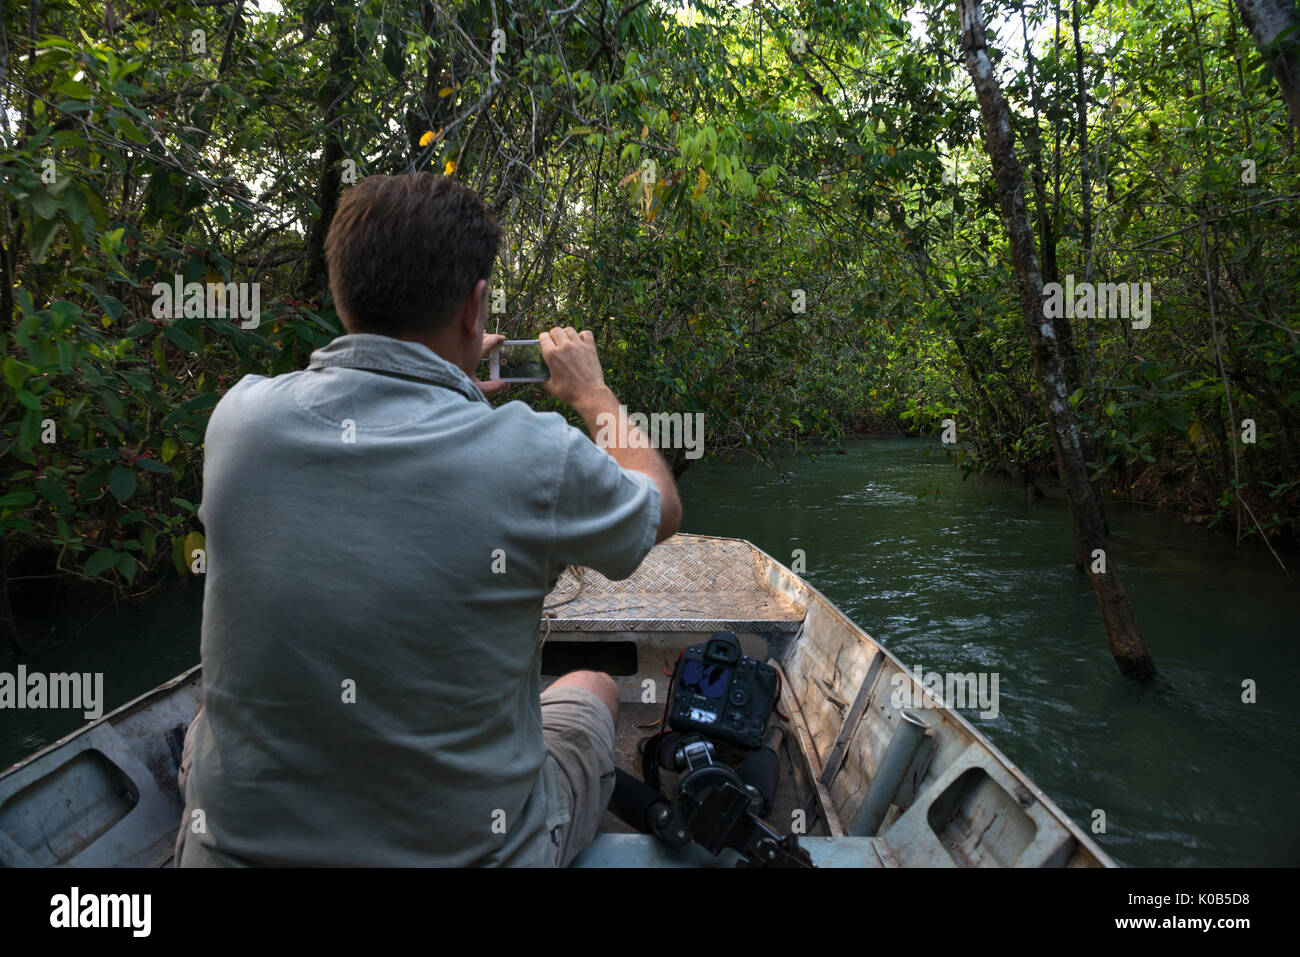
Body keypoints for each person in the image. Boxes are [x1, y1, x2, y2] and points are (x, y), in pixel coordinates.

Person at [174, 173, 682, 866]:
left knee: (206, 717)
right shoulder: (533, 456)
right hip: (475, 851)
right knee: (589, 684)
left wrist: (443, 386)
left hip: (235, 851)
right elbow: (660, 504)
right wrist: (592, 393)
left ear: (342, 290)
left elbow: (358, 429)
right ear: (475, 308)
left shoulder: (237, 420)